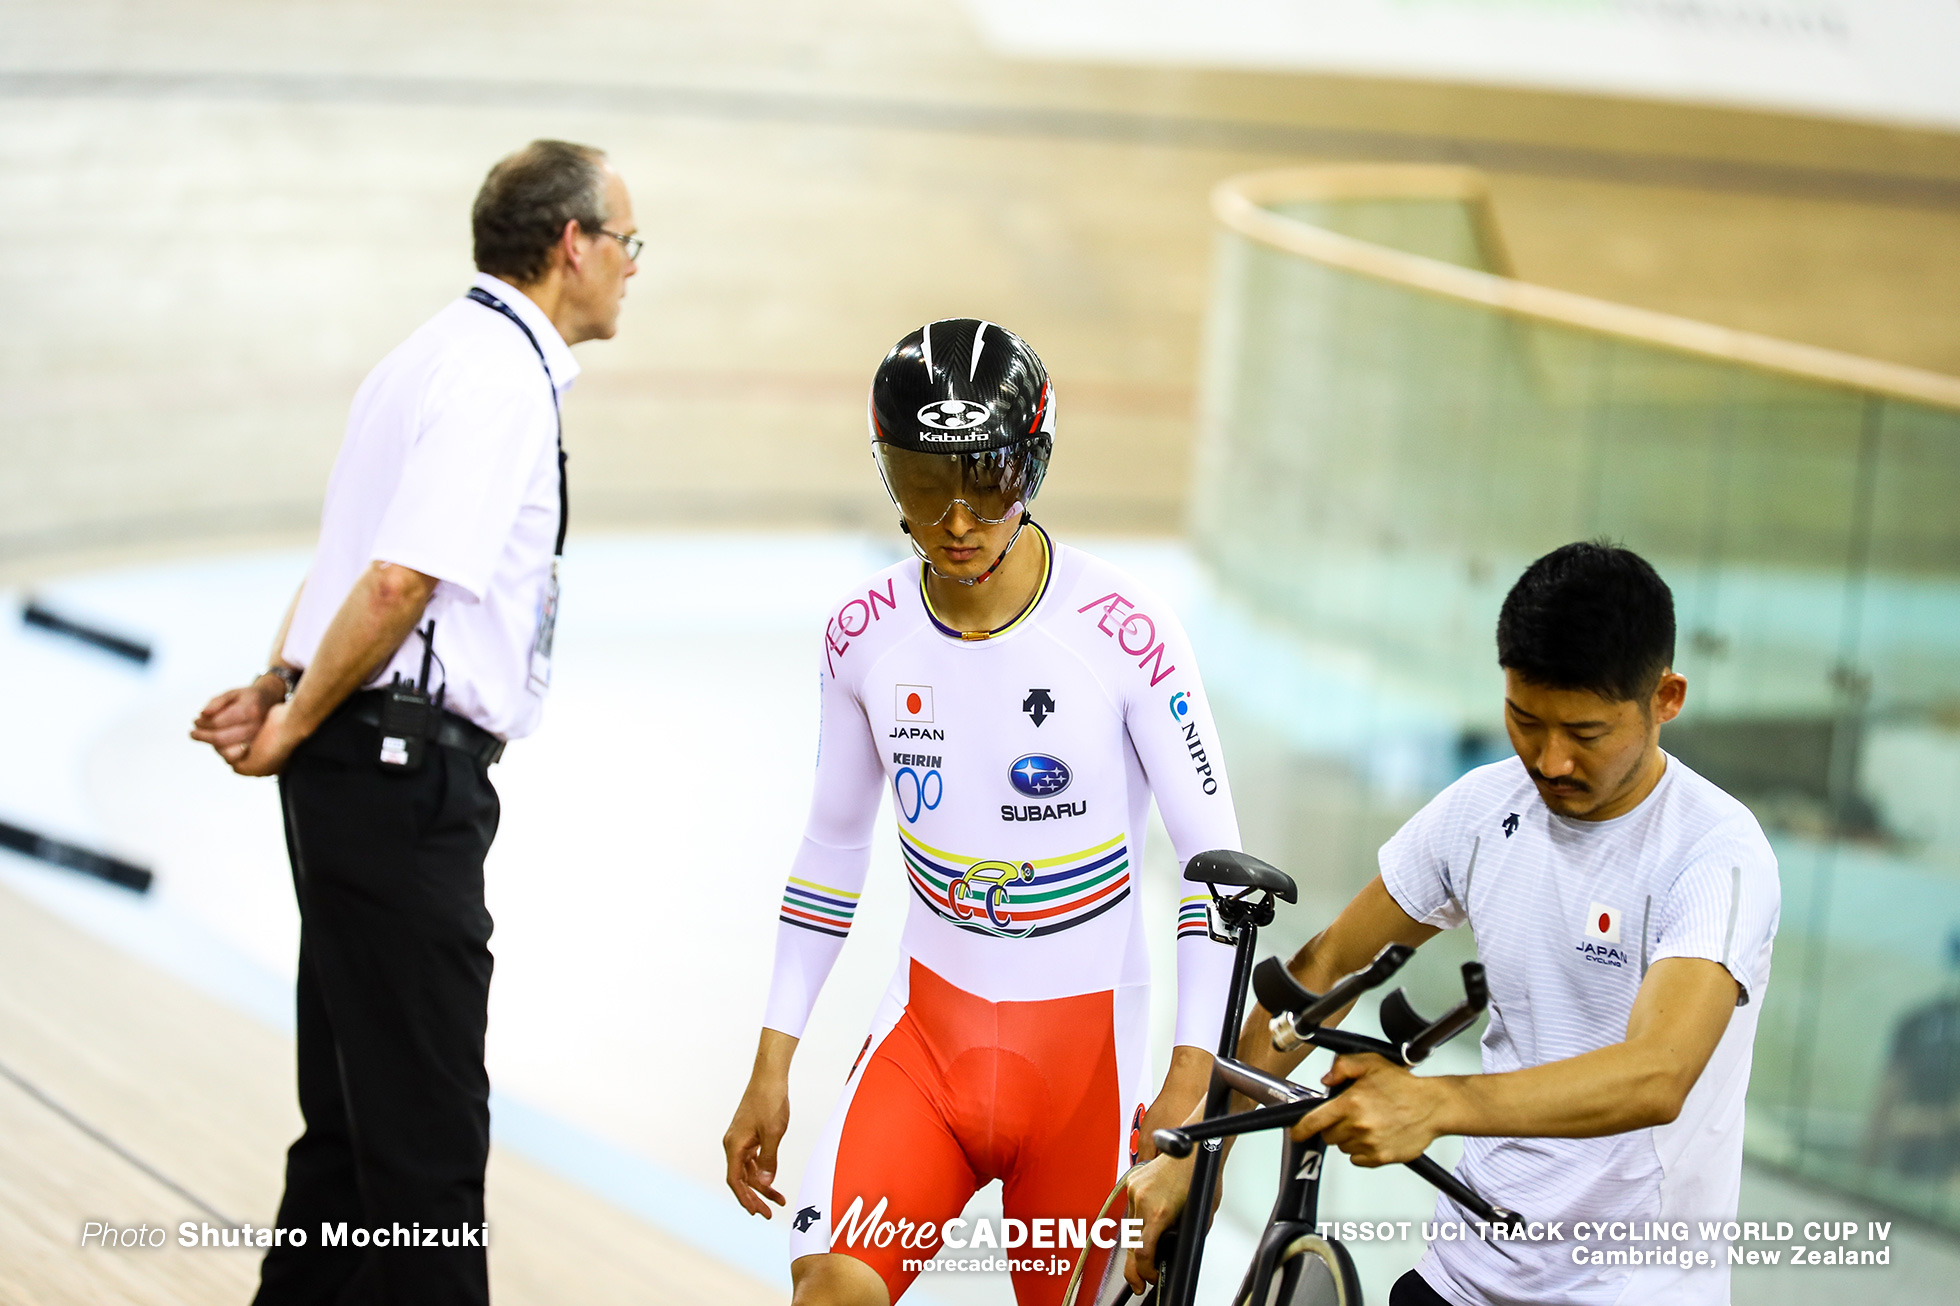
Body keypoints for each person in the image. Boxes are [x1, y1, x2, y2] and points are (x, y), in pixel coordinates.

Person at [188, 139, 638, 1305]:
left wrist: (285, 685)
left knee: (347, 1142)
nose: (634, 270)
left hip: (354, 769)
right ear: (569, 245)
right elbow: (395, 581)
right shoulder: (496, 376)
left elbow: (347, 561)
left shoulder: (424, 356)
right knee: (428, 1162)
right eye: (627, 244)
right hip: (399, 782)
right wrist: (286, 721)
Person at [721, 319, 1243, 1306]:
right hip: (928, 1042)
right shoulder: (861, 634)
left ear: (1034, 465)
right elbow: (832, 847)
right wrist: (771, 1058)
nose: (957, 521)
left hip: (1093, 1068)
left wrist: (1190, 1080)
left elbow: (1216, 866)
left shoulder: (1127, 632)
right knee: (831, 1290)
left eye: (987, 482)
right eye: (922, 487)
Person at [1126, 541, 1782, 1306]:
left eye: (1587, 734)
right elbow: (1325, 968)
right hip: (1463, 1277)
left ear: (1666, 697)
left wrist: (1435, 1102)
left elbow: (1658, 1074)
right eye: (1524, 719)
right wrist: (1197, 1152)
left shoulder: (1715, 855)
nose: (1551, 760)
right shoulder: (1482, 811)